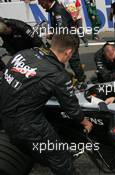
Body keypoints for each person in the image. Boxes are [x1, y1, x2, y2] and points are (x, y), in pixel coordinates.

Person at [0, 33, 93, 175]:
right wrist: (84, 121)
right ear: (69, 52)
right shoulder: (58, 75)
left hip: (4, 112)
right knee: (60, 156)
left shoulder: (24, 53)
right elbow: (71, 107)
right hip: (26, 124)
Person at [38, 0, 86, 87]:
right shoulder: (53, 9)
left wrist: (51, 34)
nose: (39, 4)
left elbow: (61, 29)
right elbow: (58, 27)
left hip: (70, 40)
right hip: (65, 39)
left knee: (74, 62)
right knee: (58, 61)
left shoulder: (57, 10)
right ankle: (70, 79)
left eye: (41, 2)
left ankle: (82, 81)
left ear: (47, 1)